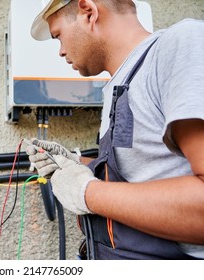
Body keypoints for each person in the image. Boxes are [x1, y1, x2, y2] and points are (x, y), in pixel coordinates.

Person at [26, 0, 204, 259]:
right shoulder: (120, 83)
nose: (61, 52)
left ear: (88, 12)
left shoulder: (181, 44)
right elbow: (144, 175)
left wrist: (86, 192)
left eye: (58, 37)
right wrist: (74, 164)